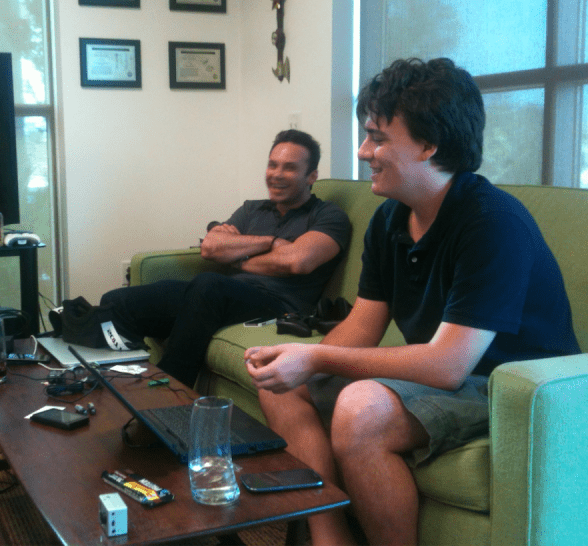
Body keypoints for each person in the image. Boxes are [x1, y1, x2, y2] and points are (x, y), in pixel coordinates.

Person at [245, 58, 581, 546]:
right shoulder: (389, 221)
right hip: (454, 375)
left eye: (378, 138)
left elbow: (448, 366)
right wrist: (296, 362)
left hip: (510, 388)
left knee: (362, 409)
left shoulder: (492, 222)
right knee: (281, 382)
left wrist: (316, 355)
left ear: (429, 145)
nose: (363, 152)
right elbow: (362, 325)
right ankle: (329, 535)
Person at [100, 129, 351, 387]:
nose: (276, 174)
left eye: (289, 168)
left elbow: (298, 261)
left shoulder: (329, 216)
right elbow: (211, 247)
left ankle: (170, 393)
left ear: (312, 176)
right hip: (221, 295)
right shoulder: (251, 209)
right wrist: (270, 242)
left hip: (279, 305)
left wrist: (238, 256)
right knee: (115, 303)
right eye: (272, 165)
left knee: (209, 284)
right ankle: (124, 385)